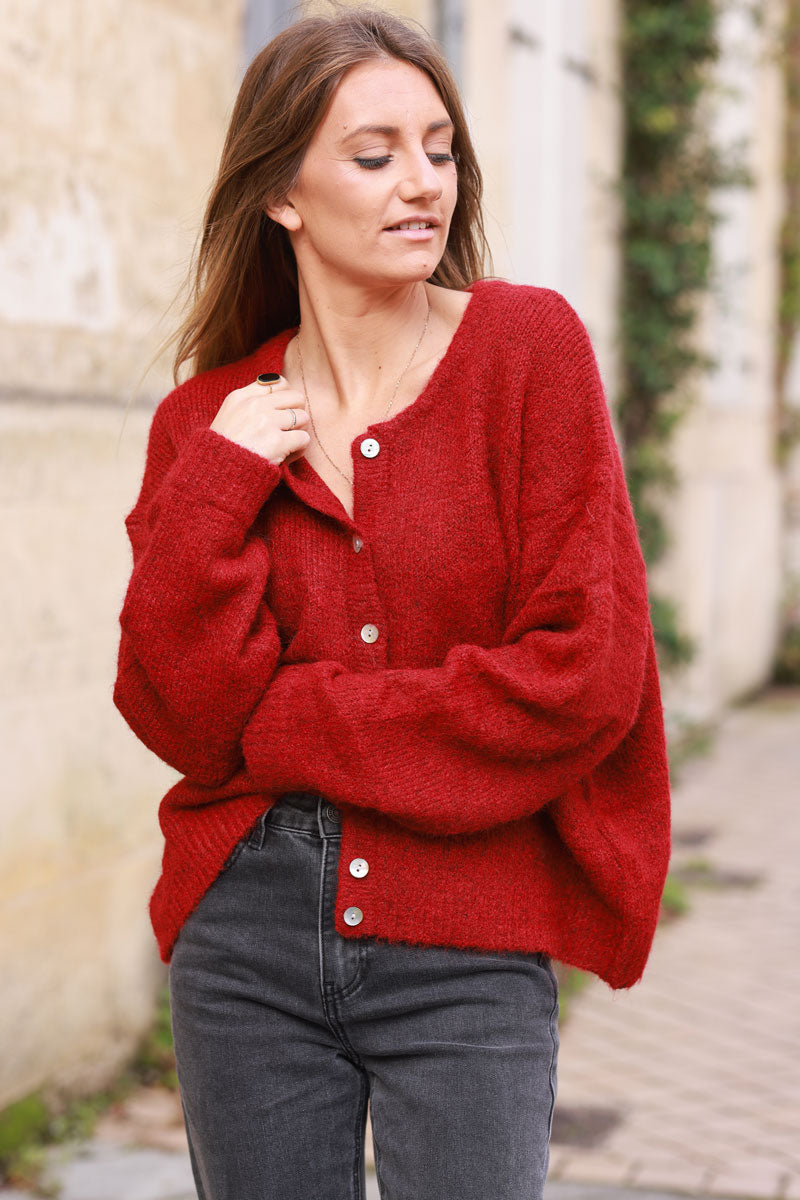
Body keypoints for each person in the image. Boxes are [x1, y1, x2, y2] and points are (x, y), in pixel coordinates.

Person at [113, 6, 671, 1199]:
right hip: (244, 942)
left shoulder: (526, 350)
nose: (421, 184)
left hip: (469, 936)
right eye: (373, 156)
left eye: (439, 148)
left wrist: (293, 726)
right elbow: (178, 714)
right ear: (282, 195)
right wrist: (217, 486)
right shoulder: (204, 425)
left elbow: (582, 676)